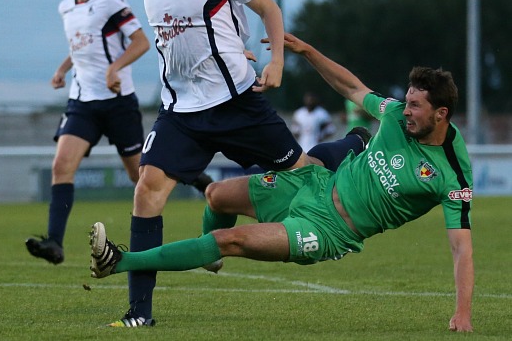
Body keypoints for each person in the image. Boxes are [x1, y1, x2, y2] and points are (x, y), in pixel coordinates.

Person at [102, 0, 369, 328]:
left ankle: (355, 142)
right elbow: (191, 31)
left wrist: (277, 60)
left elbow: (269, 9)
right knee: (147, 189)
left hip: (236, 104)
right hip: (181, 111)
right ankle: (139, 315)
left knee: (305, 171)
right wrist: (232, 46)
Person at [89, 32, 474, 333]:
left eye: (415, 107)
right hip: (314, 184)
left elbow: (461, 248)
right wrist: (307, 52)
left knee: (232, 238)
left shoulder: (453, 173)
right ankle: (211, 257)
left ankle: (119, 261)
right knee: (217, 195)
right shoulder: (395, 117)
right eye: (405, 103)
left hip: (329, 230)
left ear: (441, 114)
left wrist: (462, 313)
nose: (404, 111)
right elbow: (353, 88)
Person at [25, 0, 150, 265]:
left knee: (142, 178)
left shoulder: (111, 1)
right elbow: (81, 46)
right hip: (82, 102)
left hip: (118, 102)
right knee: (61, 166)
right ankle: (54, 242)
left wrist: (114, 69)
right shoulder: (66, 7)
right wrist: (62, 70)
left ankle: (152, 241)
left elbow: (141, 42)